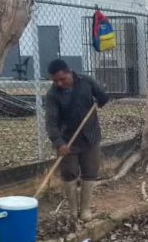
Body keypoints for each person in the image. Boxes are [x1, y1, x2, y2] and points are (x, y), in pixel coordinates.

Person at [45, 59, 109, 221]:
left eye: (62, 79)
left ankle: (85, 210)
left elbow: (102, 96)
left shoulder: (86, 82)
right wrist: (59, 143)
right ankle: (73, 211)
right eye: (55, 81)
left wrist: (101, 99)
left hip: (90, 136)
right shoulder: (52, 95)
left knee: (90, 171)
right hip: (67, 140)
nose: (59, 83)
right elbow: (51, 123)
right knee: (69, 172)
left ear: (69, 72)